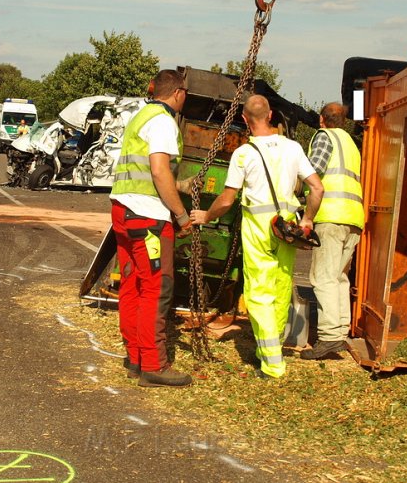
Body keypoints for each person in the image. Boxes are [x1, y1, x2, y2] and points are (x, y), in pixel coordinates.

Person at [190, 94, 324, 379]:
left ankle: (273, 363)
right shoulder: (293, 147)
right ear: (271, 114)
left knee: (259, 293)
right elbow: (317, 188)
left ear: (244, 119)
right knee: (280, 287)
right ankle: (268, 349)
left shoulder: (244, 153)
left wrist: (205, 215)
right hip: (286, 226)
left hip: (259, 227)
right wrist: (308, 220)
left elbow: (227, 200)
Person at [110, 69, 192, 388]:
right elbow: (158, 172)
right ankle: (153, 365)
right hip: (148, 219)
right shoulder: (163, 121)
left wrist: (180, 184)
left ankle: (134, 357)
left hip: (124, 211)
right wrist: (182, 215)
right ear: (178, 93)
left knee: (132, 285)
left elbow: (144, 171)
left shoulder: (141, 116)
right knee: (157, 289)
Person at [300, 102, 364, 360]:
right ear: (345, 121)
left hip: (331, 215)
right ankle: (338, 333)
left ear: (321, 119)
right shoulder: (350, 143)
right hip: (353, 218)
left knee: (323, 277)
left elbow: (313, 171)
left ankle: (327, 337)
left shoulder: (324, 137)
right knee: (338, 277)